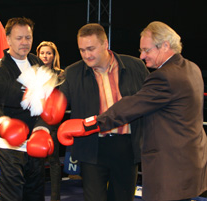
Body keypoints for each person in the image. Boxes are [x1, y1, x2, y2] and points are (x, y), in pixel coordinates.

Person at [58, 21, 207, 201]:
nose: (143, 56)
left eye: (147, 50)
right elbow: (59, 99)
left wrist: (88, 124)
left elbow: (132, 105)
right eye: (82, 50)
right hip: (96, 150)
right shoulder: (192, 68)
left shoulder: (159, 75)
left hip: (161, 159)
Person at [44, 23, 149, 201]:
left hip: (127, 147)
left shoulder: (135, 66)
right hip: (91, 148)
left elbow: (152, 100)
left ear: (105, 44)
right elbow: (56, 105)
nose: (86, 55)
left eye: (91, 49)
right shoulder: (72, 72)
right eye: (82, 50)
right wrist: (41, 111)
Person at [0, 17, 63, 201]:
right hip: (6, 145)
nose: (24, 42)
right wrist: (3, 122)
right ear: (9, 39)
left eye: (28, 38)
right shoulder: (0, 67)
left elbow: (49, 102)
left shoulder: (38, 63)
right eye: (19, 38)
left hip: (34, 143)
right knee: (8, 197)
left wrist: (42, 128)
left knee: (34, 195)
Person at [36, 41, 64, 201]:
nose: (45, 56)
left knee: (53, 161)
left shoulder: (61, 74)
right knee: (36, 162)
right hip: (35, 121)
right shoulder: (32, 73)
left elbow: (64, 96)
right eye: (42, 53)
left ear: (54, 56)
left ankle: (55, 197)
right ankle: (36, 195)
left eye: (49, 53)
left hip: (53, 120)